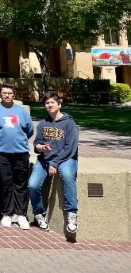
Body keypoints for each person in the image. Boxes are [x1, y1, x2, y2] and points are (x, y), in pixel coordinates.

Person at [0, 84, 34, 230]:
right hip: (0, 153)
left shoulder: (22, 112)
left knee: (21, 184)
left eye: (10, 93)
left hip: (20, 153)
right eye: (4, 93)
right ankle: (7, 214)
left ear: (14, 95)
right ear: (0, 95)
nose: (7, 95)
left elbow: (29, 131)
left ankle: (21, 214)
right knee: (5, 184)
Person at [29, 93, 79, 234]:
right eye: (47, 103)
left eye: (52, 102)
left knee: (68, 176)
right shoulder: (43, 123)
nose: (49, 105)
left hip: (66, 159)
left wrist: (55, 163)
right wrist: (40, 148)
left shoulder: (69, 123)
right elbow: (37, 143)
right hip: (45, 159)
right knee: (32, 184)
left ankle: (72, 214)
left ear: (59, 105)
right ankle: (39, 214)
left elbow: (70, 148)